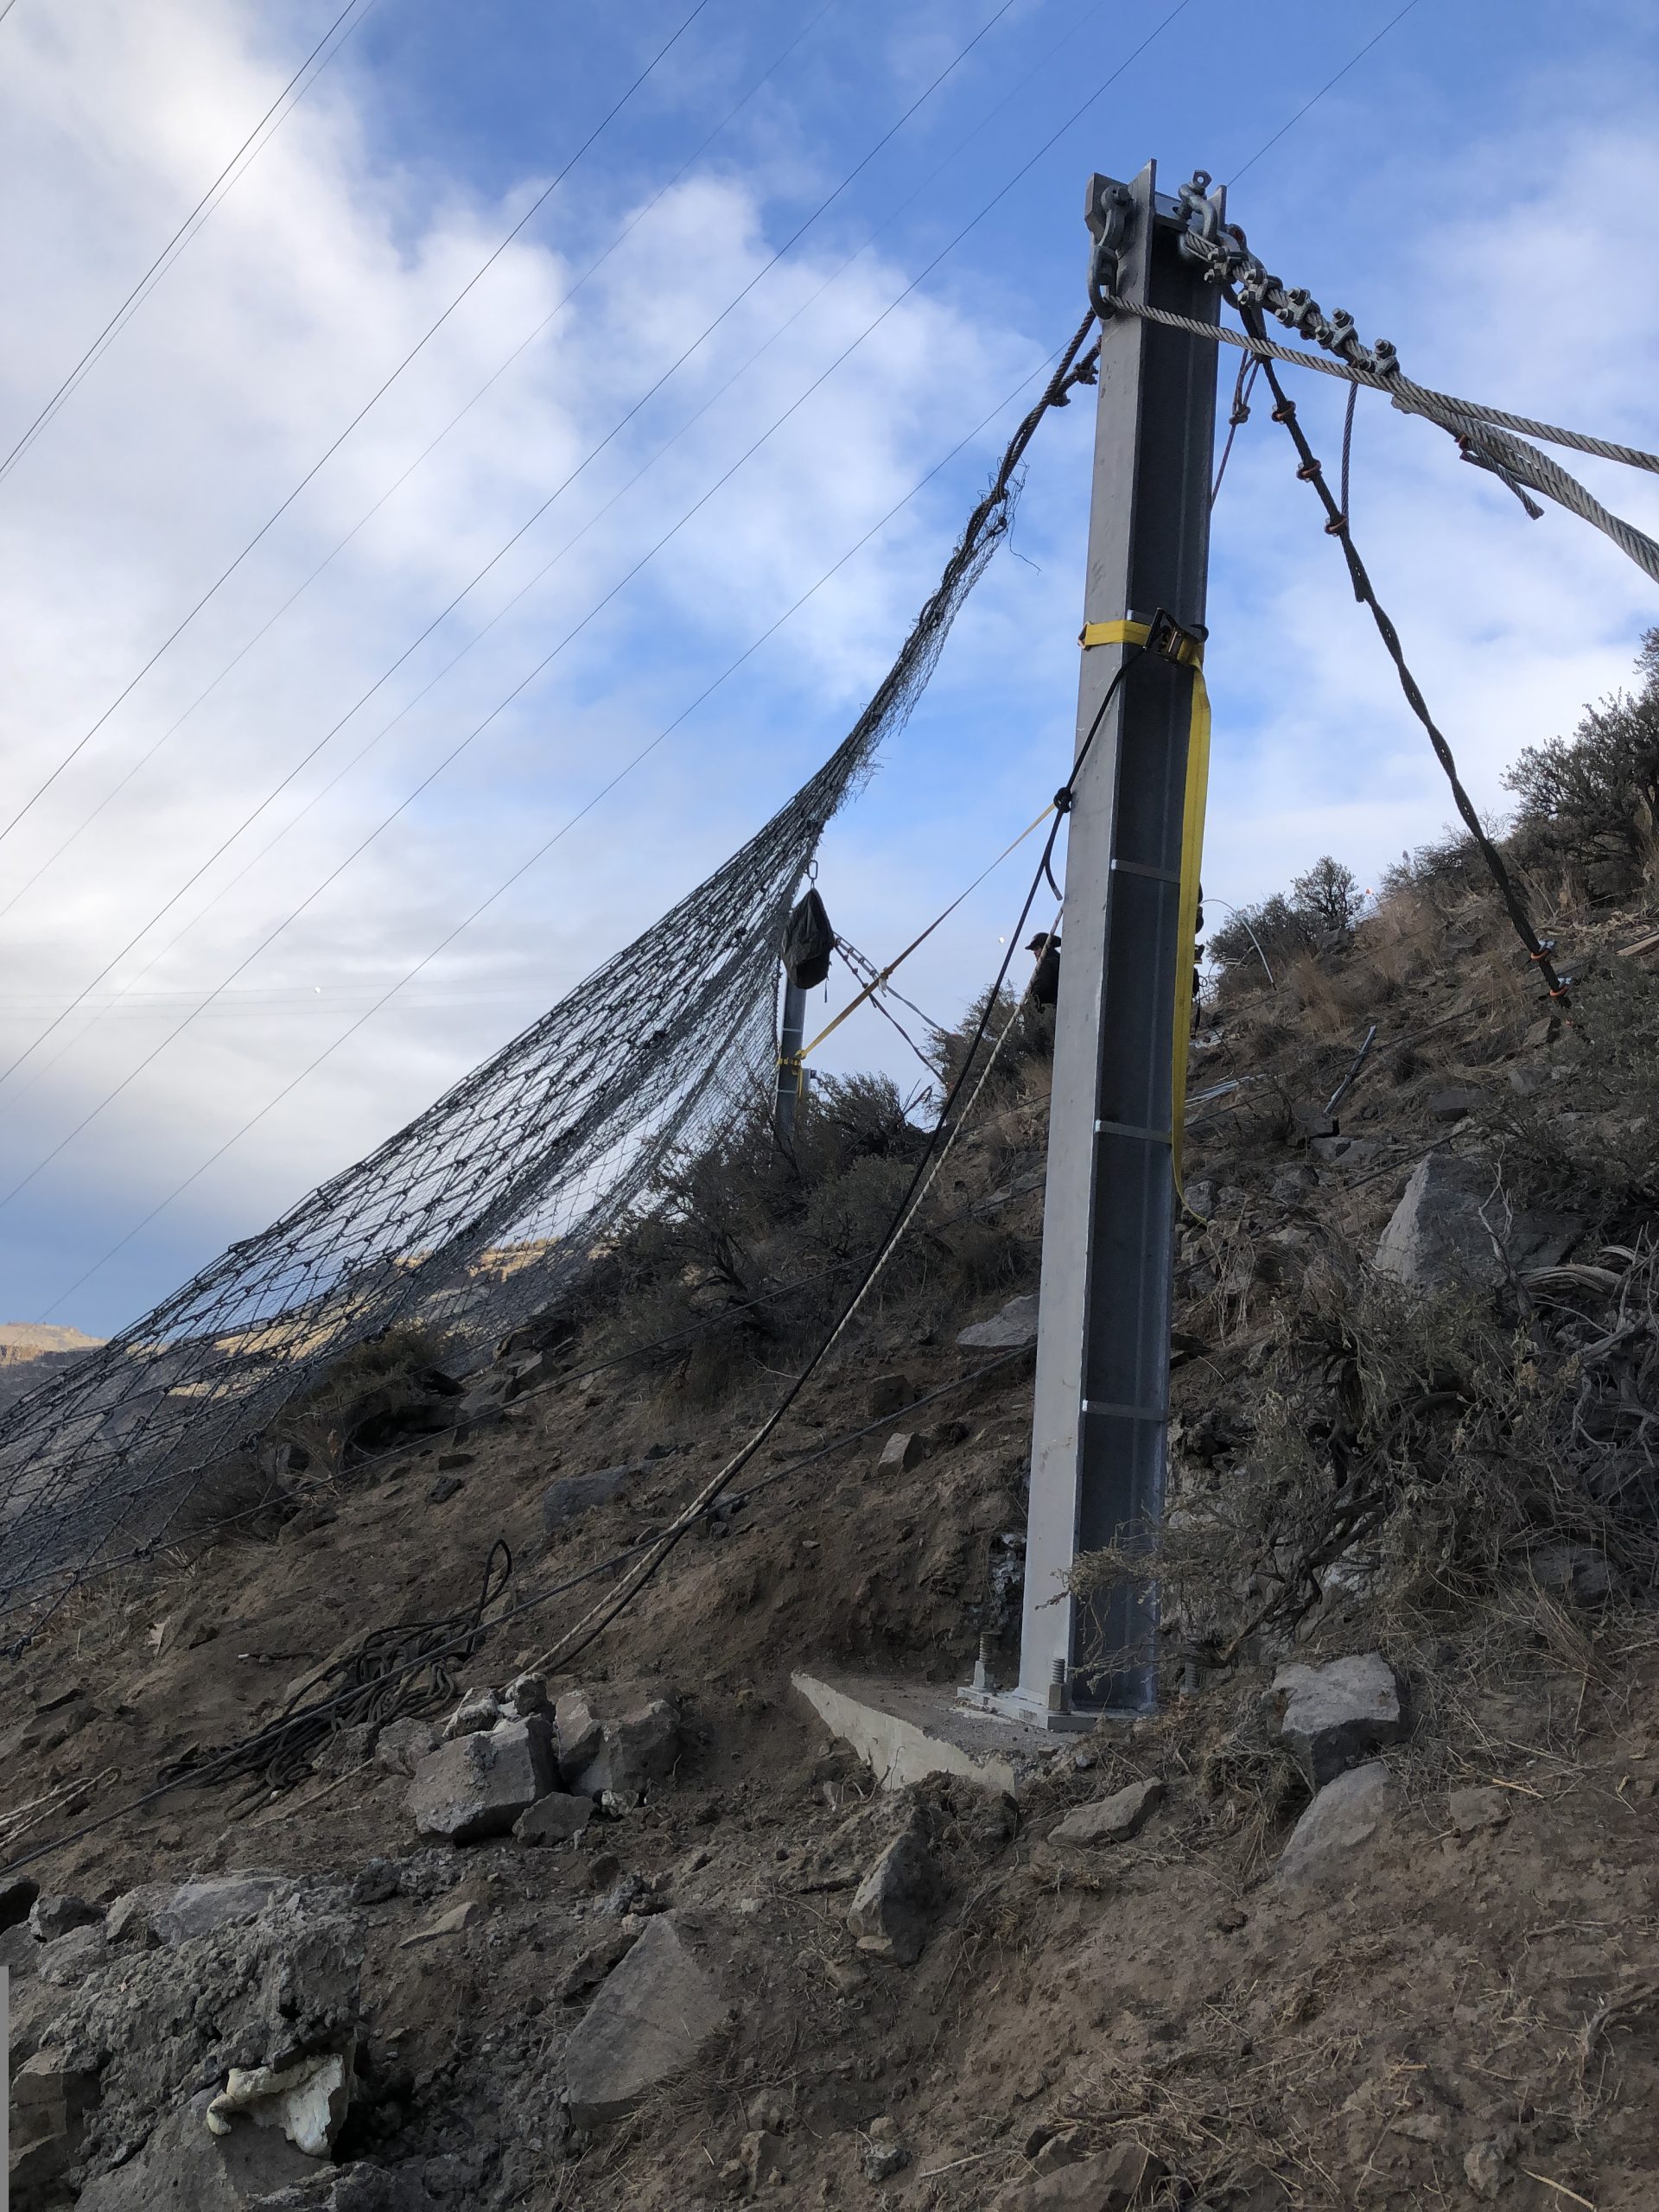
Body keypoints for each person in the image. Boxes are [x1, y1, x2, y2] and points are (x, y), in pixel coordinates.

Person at [1027, 931, 1060, 1007]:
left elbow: (1042, 985)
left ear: (1046, 949)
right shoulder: (1060, 961)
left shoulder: (1047, 964)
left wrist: (1030, 1004)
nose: (1034, 953)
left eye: (1037, 949)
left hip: (1048, 1010)